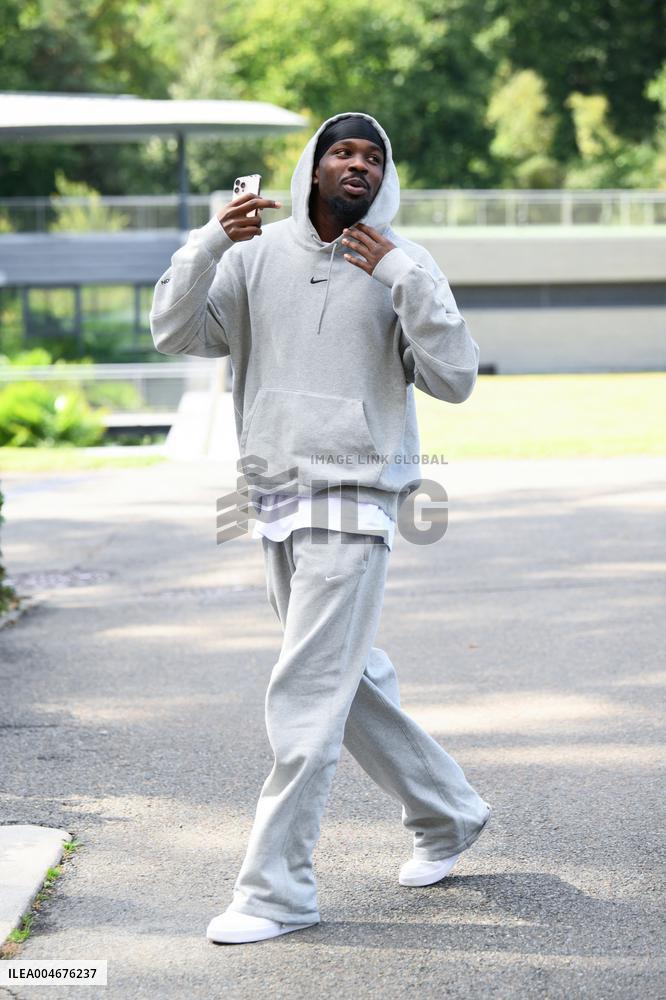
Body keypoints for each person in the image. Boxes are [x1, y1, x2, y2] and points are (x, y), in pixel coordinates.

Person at [150, 111, 492, 946]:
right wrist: (207, 244)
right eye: (343, 151)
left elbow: (456, 379)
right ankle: (448, 812)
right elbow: (172, 332)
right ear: (312, 166)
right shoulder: (254, 258)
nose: (359, 166)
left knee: (305, 695)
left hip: (356, 498)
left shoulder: (402, 266)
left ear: (385, 177)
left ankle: (277, 892)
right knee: (348, 682)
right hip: (274, 497)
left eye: (374, 156)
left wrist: (406, 277)